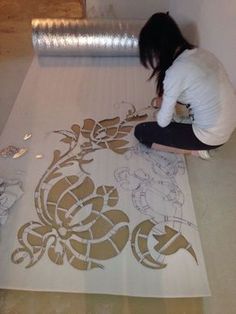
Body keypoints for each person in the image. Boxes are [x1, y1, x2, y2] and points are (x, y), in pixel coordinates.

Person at [134, 12, 236, 159]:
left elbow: (163, 122)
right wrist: (165, 101)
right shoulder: (201, 53)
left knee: (142, 132)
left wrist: (162, 110)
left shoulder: (175, 72)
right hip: (228, 125)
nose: (155, 58)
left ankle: (196, 151)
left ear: (159, 48)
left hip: (210, 137)